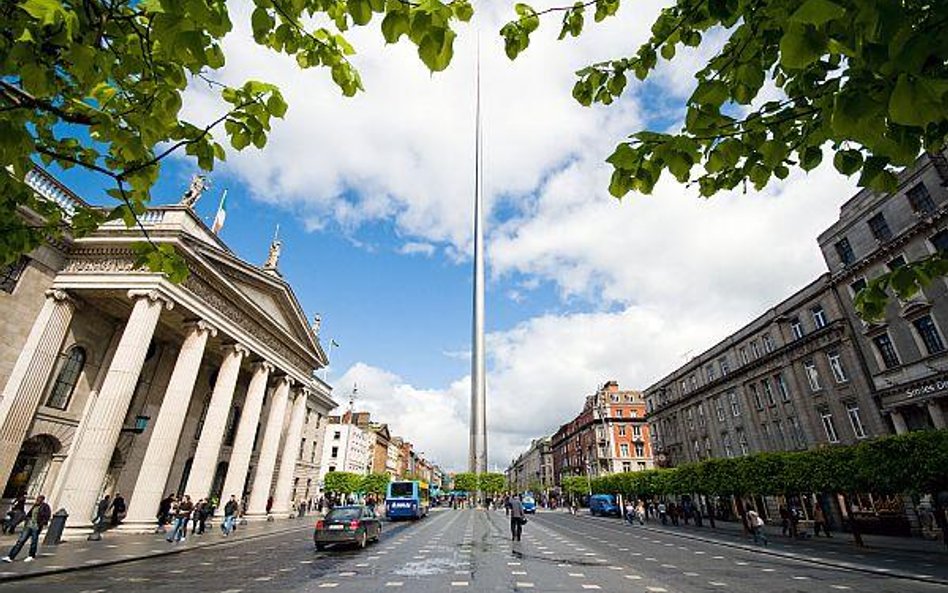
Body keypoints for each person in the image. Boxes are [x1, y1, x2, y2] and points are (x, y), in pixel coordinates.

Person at [2, 495, 51, 563]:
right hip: (28, 526)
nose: (37, 500)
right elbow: (29, 514)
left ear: (42, 500)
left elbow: (47, 516)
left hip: (36, 527)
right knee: (21, 541)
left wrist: (41, 524)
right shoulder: (35, 506)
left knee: (33, 542)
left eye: (39, 499)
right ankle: (10, 556)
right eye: (37, 499)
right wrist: (27, 520)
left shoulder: (45, 506)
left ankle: (31, 556)